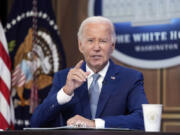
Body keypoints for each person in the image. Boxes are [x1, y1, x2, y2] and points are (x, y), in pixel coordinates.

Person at [30, 16, 148, 130]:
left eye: (102, 41)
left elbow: (142, 120)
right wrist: (65, 92)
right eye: (90, 40)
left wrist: (94, 124)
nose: (96, 47)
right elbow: (36, 123)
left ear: (112, 46)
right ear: (81, 45)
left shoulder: (130, 78)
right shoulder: (63, 78)